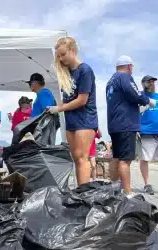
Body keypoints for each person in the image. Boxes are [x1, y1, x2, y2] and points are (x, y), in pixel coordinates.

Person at [48, 36, 98, 185]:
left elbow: (82, 100)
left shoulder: (85, 70)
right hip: (71, 120)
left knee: (83, 157)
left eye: (63, 54)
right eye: (59, 56)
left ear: (73, 50)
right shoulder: (66, 73)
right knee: (76, 157)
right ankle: (80, 189)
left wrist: (59, 108)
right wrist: (54, 107)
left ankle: (84, 194)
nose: (61, 59)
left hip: (85, 119)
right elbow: (68, 99)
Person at [106, 56, 156, 197]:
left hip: (114, 124)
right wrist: (148, 101)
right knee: (125, 160)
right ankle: (128, 194)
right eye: (132, 67)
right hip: (126, 124)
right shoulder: (125, 77)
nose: (132, 70)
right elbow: (135, 94)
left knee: (116, 157)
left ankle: (114, 190)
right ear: (128, 66)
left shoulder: (111, 81)